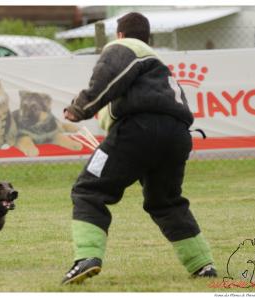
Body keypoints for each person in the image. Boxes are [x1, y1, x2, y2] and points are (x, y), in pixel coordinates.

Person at [61, 12, 216, 285]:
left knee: (88, 190)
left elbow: (108, 78)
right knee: (165, 202)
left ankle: (87, 257)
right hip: (178, 135)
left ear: (120, 35)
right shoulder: (157, 67)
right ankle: (203, 265)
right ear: (149, 37)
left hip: (139, 129)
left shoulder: (125, 48)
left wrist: (79, 109)